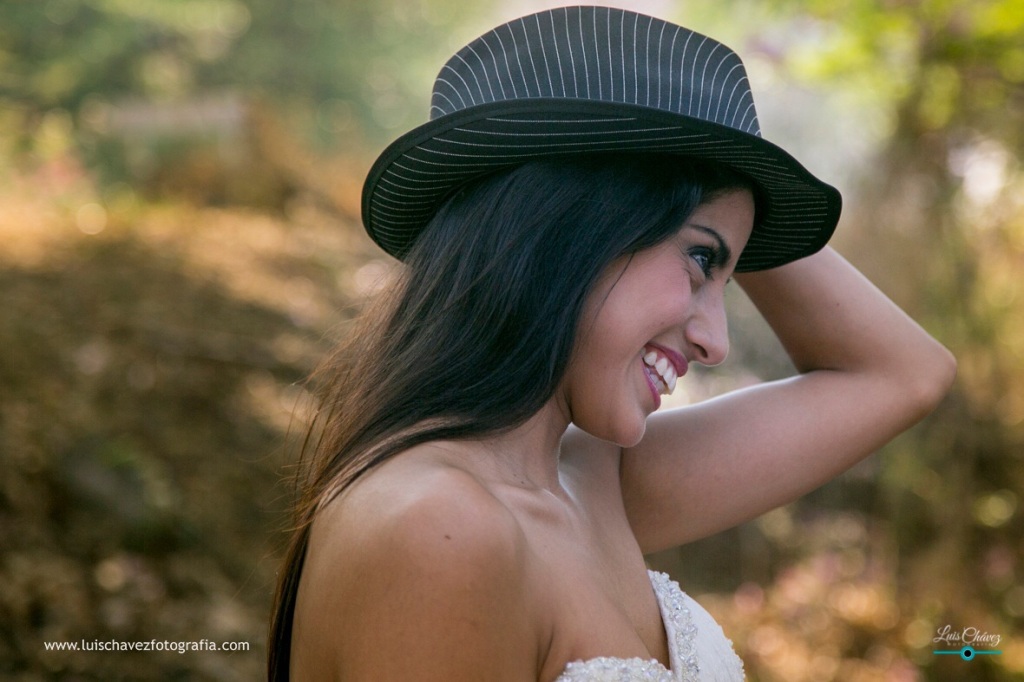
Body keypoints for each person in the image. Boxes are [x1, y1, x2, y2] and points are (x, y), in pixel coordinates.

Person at [268, 7, 956, 681]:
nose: (715, 340)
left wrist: (738, 184)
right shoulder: (441, 530)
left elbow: (907, 373)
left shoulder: (588, 479)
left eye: (728, 272)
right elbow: (897, 376)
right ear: (566, 225)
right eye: (700, 260)